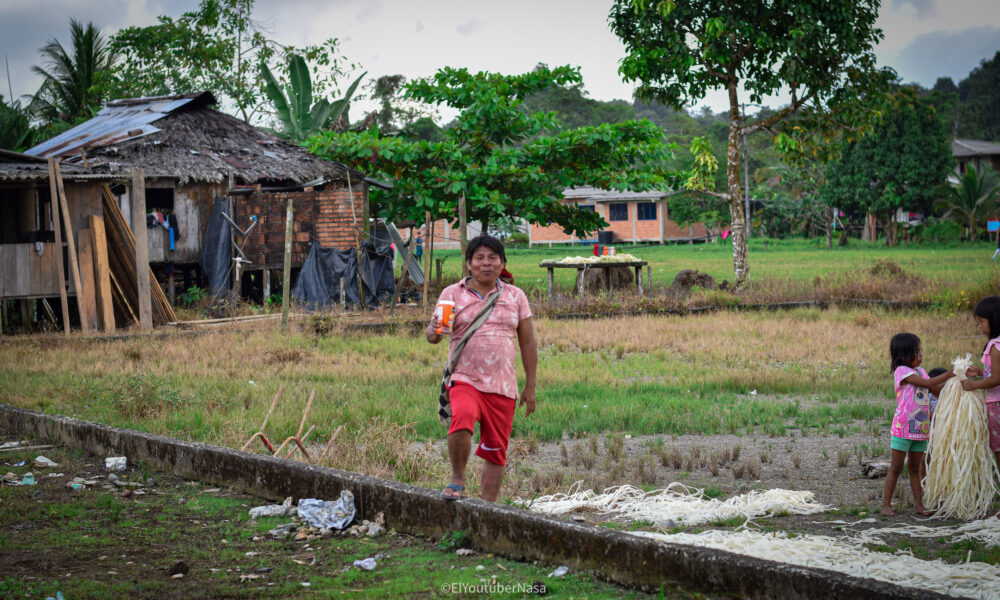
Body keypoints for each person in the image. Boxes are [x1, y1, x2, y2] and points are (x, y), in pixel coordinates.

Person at [426, 235, 537, 501]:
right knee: (461, 418)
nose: (485, 264)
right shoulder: (452, 293)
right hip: (465, 378)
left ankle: (487, 508)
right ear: (468, 264)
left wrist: (530, 386)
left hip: (503, 385)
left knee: (495, 449)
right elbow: (435, 336)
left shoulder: (515, 296)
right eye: (479, 258)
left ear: (502, 263)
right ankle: (458, 477)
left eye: (492, 258)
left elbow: (529, 342)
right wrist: (433, 329)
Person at [882, 333, 953, 516]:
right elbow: (928, 383)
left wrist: (956, 382)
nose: (921, 355)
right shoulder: (903, 372)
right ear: (904, 356)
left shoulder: (921, 371)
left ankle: (919, 506)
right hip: (903, 428)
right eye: (917, 352)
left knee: (914, 469)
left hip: (921, 430)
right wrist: (951, 372)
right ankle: (886, 505)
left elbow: (935, 389)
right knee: (896, 468)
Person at [962, 296, 1000, 487]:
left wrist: (974, 385)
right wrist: (979, 372)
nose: (980, 326)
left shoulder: (995, 346)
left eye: (982, 322)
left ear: (994, 320)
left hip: (996, 404)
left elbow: (996, 379)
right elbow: (993, 372)